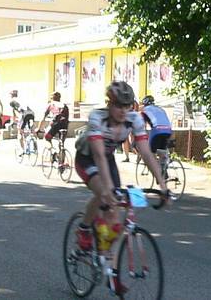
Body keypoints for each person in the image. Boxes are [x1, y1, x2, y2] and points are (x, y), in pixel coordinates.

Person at [74, 81, 170, 294]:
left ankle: (111, 271)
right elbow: (98, 154)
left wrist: (163, 186)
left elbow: (145, 152)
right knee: (103, 193)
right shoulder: (97, 118)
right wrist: (107, 189)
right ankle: (84, 230)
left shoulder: (134, 120)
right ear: (109, 104)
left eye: (128, 106)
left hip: (106, 159)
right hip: (87, 158)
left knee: (118, 220)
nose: (123, 111)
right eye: (118, 105)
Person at [140, 95, 173, 177]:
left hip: (157, 130)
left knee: (150, 152)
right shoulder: (161, 109)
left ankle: (157, 170)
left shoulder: (144, 110)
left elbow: (141, 126)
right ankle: (164, 170)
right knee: (161, 151)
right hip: (168, 130)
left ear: (145, 104)